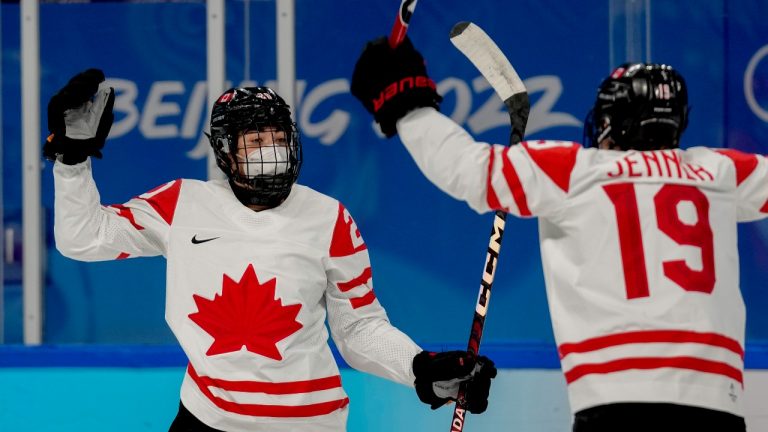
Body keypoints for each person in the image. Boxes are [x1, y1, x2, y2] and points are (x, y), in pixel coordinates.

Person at [351, 36, 768, 431]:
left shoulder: (576, 170)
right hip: (719, 404)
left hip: (615, 402)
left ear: (613, 122)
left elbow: (466, 170)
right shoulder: (719, 171)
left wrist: (406, 102)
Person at [45, 68, 497, 431]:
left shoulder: (330, 219)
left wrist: (419, 367)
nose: (271, 151)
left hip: (308, 422)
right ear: (225, 152)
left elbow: (358, 329)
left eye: (278, 139)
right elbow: (84, 239)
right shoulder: (183, 203)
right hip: (206, 417)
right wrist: (71, 161)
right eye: (256, 141)